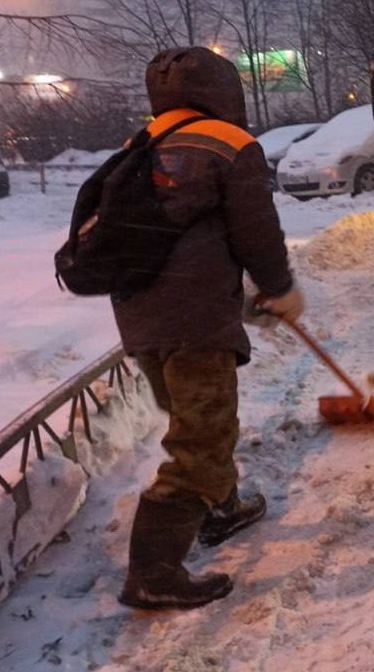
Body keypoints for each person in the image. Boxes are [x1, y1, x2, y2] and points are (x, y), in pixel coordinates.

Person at [115, 47, 304, 609]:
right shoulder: (229, 143)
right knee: (200, 441)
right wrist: (277, 287)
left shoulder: (139, 144)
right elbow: (256, 231)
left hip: (139, 316)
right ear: (223, 92)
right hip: (194, 320)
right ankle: (153, 572)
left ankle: (220, 509)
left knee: (198, 419)